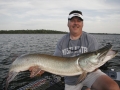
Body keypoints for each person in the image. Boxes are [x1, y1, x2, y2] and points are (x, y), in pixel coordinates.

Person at [29, 10, 120, 90]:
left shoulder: (90, 39)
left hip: (91, 73)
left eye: (78, 20)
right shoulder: (61, 42)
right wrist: (39, 70)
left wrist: (93, 65)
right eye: (72, 20)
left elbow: (93, 66)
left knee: (113, 87)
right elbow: (54, 63)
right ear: (68, 24)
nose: (75, 23)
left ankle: (88, 87)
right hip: (70, 79)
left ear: (82, 24)